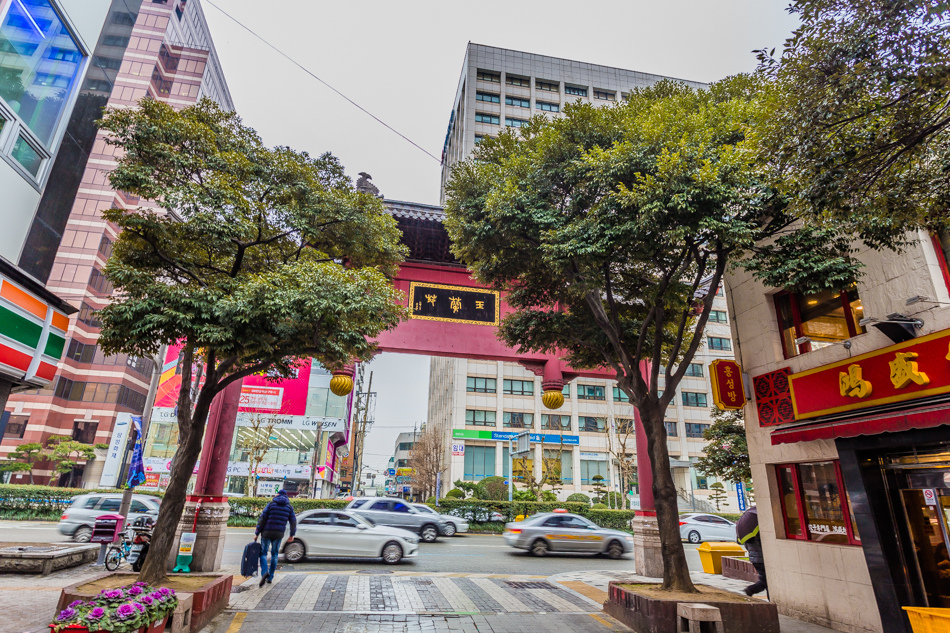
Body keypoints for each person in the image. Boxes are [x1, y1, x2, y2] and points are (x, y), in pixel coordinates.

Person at [254, 489, 297, 587]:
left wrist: (257, 533)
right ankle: (270, 577)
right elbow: (293, 522)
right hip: (278, 534)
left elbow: (262, 519)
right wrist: (292, 534)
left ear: (278, 495)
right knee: (275, 554)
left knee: (263, 554)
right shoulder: (289, 507)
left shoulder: (271, 504)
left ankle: (264, 572)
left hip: (266, 532)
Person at [737, 505, 767, 596]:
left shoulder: (745, 533)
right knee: (766, 581)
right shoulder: (758, 532)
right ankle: (750, 590)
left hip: (755, 559)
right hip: (761, 559)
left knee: (766, 580)